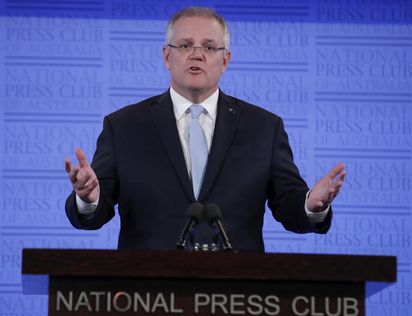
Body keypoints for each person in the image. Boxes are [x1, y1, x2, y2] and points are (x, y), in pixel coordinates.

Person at [64, 7, 346, 251]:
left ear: (225, 60)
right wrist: (88, 199)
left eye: (209, 47)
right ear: (166, 57)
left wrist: (312, 204)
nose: (197, 55)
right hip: (148, 295)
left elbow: (289, 207)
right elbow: (94, 214)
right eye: (185, 45)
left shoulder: (264, 127)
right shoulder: (123, 126)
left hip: (238, 295)